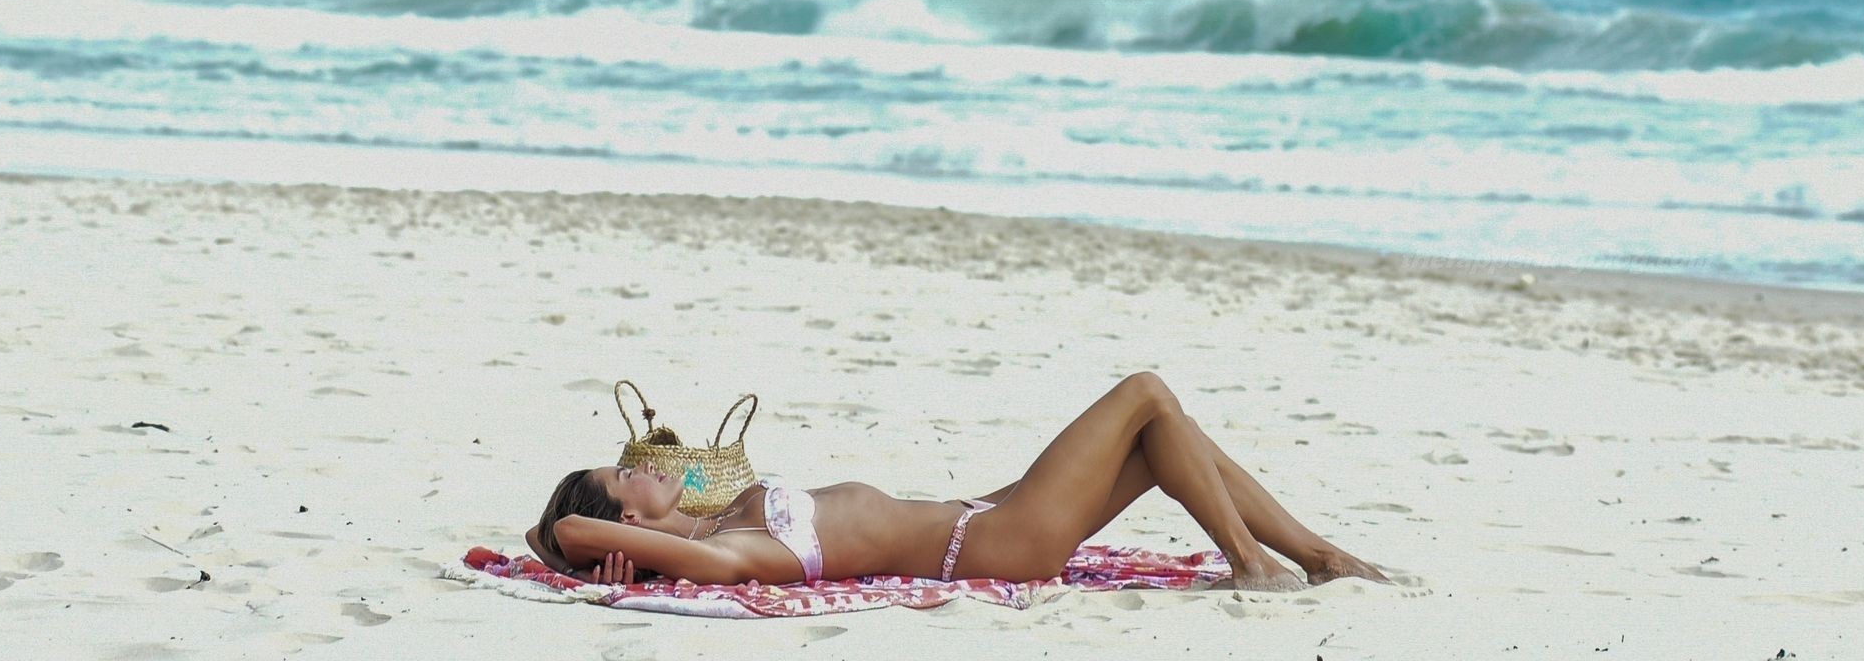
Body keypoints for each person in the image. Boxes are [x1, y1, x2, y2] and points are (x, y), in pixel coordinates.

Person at [525, 372, 1391, 590]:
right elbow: (563, 533)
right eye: (626, 472)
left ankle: (1319, 556)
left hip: (983, 513)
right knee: (1146, 392)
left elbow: (559, 534)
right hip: (997, 544)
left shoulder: (717, 522)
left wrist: (629, 539)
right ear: (622, 517)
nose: (647, 462)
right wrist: (604, 547)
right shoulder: (729, 555)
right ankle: (1251, 563)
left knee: (1170, 434)